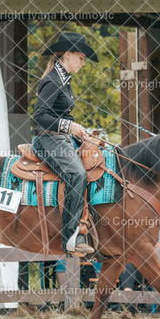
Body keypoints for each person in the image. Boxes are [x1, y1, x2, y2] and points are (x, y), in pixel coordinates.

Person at [32, 32, 98, 256]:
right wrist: (69, 126)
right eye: (81, 57)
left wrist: (78, 131)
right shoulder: (53, 80)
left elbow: (59, 115)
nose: (83, 62)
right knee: (77, 174)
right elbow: (39, 116)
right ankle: (71, 236)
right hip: (47, 139)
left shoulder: (63, 78)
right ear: (68, 54)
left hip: (60, 138)